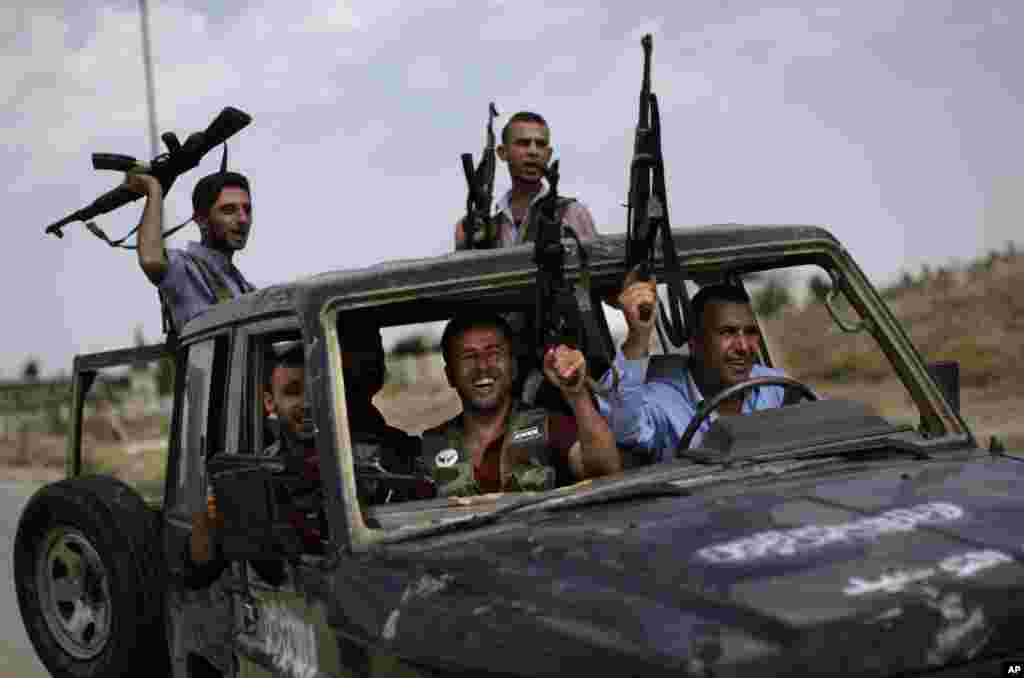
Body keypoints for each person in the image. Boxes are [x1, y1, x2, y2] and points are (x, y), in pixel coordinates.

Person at [187, 327, 420, 583]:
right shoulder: (257, 472)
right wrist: (206, 511)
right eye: (292, 391)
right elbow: (203, 570)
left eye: (315, 390)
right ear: (269, 402)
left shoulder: (380, 459)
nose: (307, 403)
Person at [421, 313, 622, 497]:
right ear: (450, 376)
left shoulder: (552, 427)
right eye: (469, 357)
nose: (483, 367)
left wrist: (576, 393)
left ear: (513, 367)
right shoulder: (428, 448)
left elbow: (606, 470)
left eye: (494, 354)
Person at [599, 276, 789, 461]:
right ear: (694, 343)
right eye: (727, 332)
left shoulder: (777, 386)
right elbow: (626, 431)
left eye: (750, 332)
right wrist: (638, 336)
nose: (744, 347)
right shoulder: (663, 400)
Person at [124, 170, 256, 333]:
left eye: (247, 209)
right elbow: (151, 259)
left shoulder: (244, 287)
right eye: (228, 210)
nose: (243, 219)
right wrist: (154, 189)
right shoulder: (185, 269)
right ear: (201, 220)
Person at [454, 111, 598, 250]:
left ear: (548, 155)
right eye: (523, 143)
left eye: (540, 144)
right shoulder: (487, 228)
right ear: (503, 153)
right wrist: (464, 244)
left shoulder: (572, 213)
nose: (533, 151)